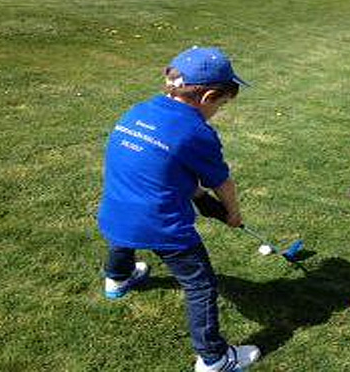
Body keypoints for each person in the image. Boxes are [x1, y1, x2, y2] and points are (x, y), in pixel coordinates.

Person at [97, 46, 260, 372]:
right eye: (222, 103)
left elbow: (157, 165)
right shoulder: (197, 132)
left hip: (115, 208)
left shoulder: (138, 111)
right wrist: (233, 214)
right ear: (209, 95)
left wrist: (194, 194)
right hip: (161, 225)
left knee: (124, 237)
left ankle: (117, 279)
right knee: (200, 284)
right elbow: (222, 183)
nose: (219, 110)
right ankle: (214, 359)